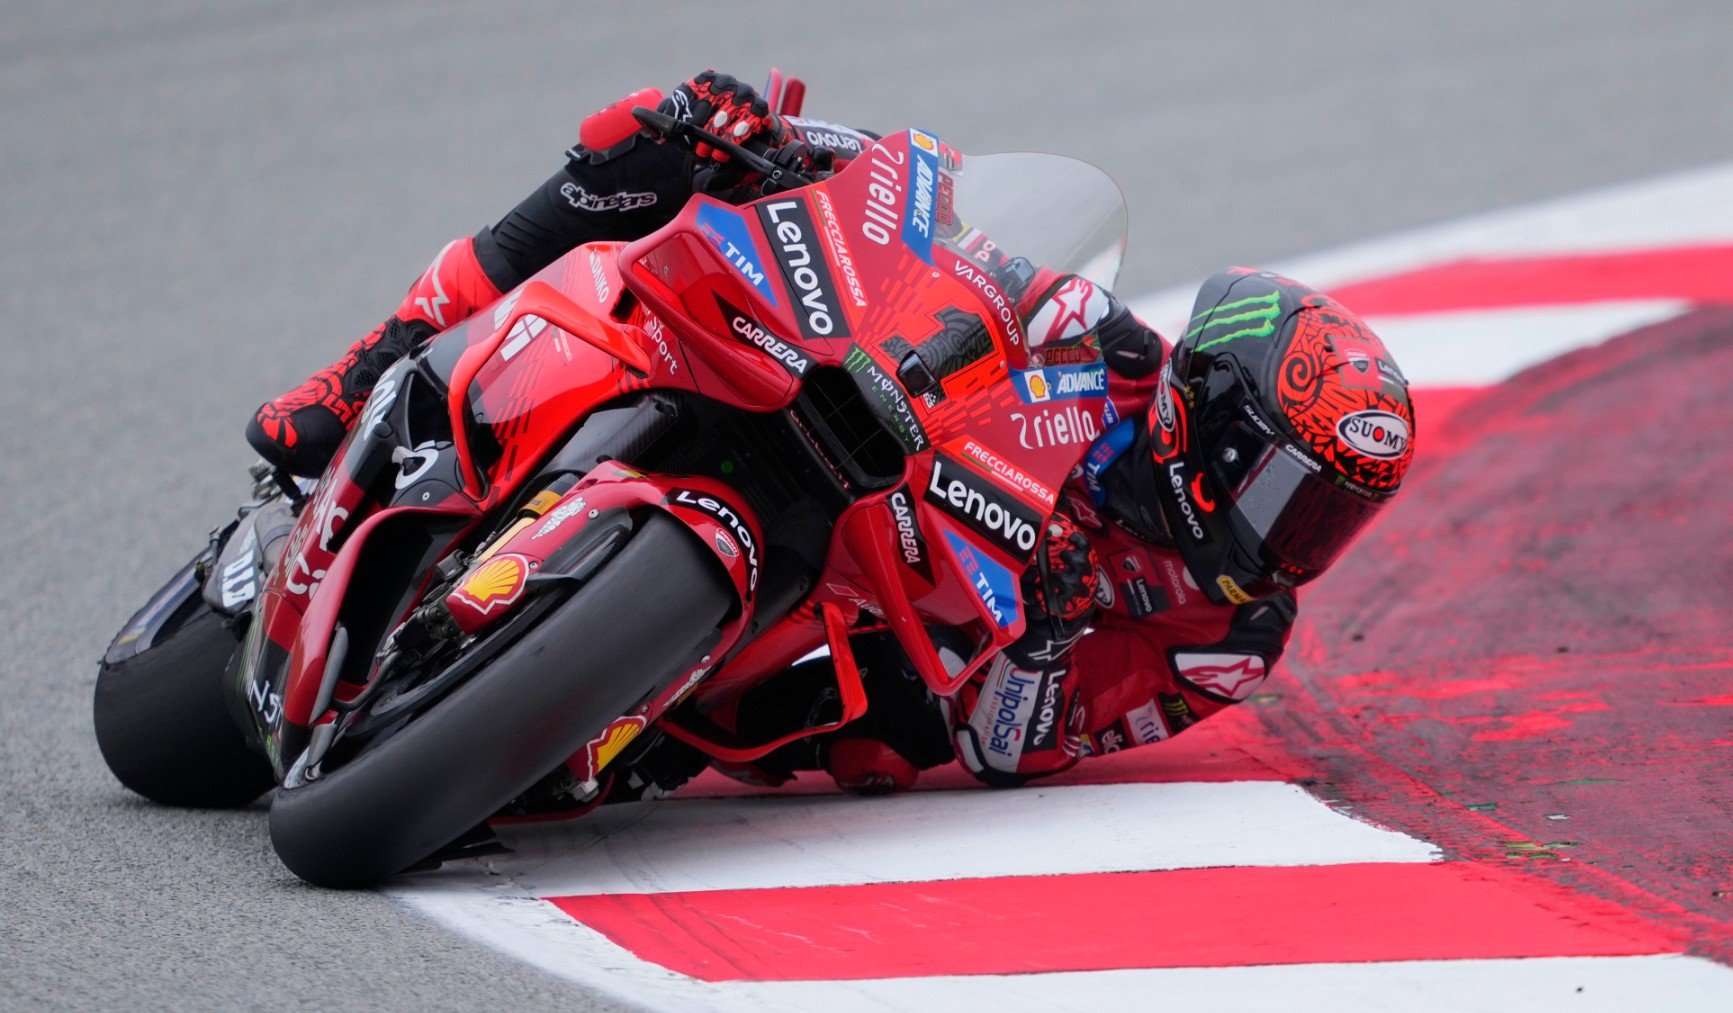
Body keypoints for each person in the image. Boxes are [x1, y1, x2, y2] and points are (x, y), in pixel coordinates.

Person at [246, 71, 1417, 799]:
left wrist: (1050, 626)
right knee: (656, 140)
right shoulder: (1098, 346)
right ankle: (363, 373)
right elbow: (950, 234)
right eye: (1289, 492)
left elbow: (1025, 748)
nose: (1295, 537)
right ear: (1207, 414)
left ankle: (584, 701)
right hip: (856, 437)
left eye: (1332, 518)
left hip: (890, 639)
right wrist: (807, 151)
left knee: (844, 736)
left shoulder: (1233, 636)